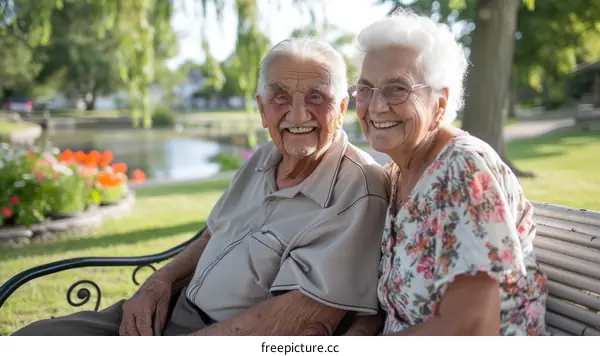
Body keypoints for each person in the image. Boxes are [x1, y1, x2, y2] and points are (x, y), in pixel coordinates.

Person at [12, 37, 390, 336]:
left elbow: (303, 322)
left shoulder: (358, 189)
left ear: (342, 108)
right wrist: (157, 284)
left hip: (216, 336)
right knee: (32, 340)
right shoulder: (263, 158)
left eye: (316, 97)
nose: (297, 114)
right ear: (261, 109)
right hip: (168, 309)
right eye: (280, 98)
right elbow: (213, 235)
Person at [346, 10, 548, 336]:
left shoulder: (466, 172)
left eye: (397, 88)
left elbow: (471, 328)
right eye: (366, 89)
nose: (376, 105)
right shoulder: (397, 173)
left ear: (440, 102)